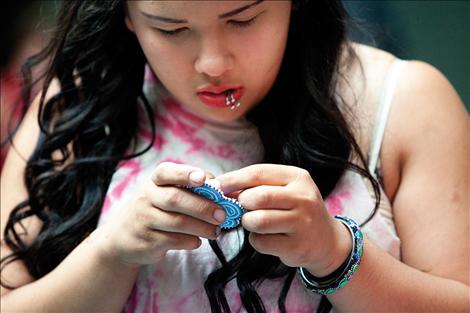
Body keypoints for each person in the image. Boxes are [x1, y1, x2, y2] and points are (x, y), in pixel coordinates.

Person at [1, 1, 468, 312]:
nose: (213, 63)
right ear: (126, 15)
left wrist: (336, 254)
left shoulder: (403, 100)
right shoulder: (77, 103)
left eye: (243, 19)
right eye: (171, 28)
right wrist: (111, 254)